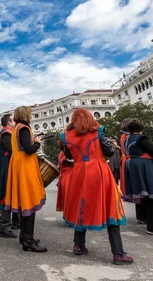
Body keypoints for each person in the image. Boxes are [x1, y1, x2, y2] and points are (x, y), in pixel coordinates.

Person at [62, 109, 132, 265]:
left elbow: (68, 156)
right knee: (110, 207)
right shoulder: (98, 132)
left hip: (79, 173)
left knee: (81, 206)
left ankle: (78, 245)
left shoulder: (66, 136)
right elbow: (108, 152)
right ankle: (118, 253)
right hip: (99, 171)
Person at [4, 106, 47, 253]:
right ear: (26, 115)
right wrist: (37, 143)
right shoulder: (24, 128)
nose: (31, 116)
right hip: (25, 167)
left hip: (18, 164)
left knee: (24, 202)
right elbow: (28, 149)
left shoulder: (16, 128)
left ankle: (24, 237)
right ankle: (28, 240)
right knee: (29, 201)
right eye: (30, 114)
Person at [123, 118, 153, 236]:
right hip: (145, 166)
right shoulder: (141, 139)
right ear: (142, 128)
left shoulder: (127, 139)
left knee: (144, 195)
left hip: (133, 166)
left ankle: (145, 219)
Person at [0, 113, 19, 238]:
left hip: (5, 164)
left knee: (8, 194)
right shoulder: (6, 133)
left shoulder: (6, 133)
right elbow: (13, 149)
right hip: (6, 165)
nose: (15, 123)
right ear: (9, 122)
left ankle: (10, 223)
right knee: (7, 194)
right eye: (13, 121)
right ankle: (3, 226)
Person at [119, 118, 146, 225]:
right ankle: (143, 216)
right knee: (141, 188)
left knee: (137, 189)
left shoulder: (123, 136)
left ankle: (141, 216)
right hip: (135, 162)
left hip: (127, 162)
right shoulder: (130, 137)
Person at [56, 139, 73, 213]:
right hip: (69, 177)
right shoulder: (65, 155)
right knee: (71, 198)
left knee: (66, 197)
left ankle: (68, 215)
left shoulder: (60, 154)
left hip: (63, 177)